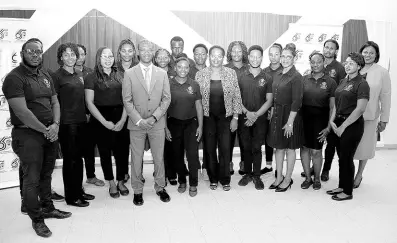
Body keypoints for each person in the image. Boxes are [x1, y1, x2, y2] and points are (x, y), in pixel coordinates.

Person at [2, 38, 71, 238]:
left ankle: (48, 207)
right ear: (23, 53)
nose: (35, 54)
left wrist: (55, 125)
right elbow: (23, 112)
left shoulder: (45, 74)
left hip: (50, 132)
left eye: (38, 51)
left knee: (46, 175)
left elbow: (55, 102)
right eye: (30, 51)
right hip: (28, 135)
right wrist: (45, 129)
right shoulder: (14, 78)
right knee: (31, 179)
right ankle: (37, 219)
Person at [122, 39, 171, 206]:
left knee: (159, 158)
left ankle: (160, 187)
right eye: (143, 50)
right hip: (137, 125)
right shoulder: (129, 73)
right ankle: (137, 190)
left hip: (157, 123)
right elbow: (127, 101)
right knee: (136, 159)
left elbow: (166, 99)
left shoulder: (162, 73)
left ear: (153, 53)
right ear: (138, 53)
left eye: (149, 50)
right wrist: (139, 120)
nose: (146, 53)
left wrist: (154, 117)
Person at [51, 43, 95, 207]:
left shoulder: (78, 74)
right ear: (60, 57)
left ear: (77, 57)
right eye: (66, 54)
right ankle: (71, 197)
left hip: (81, 122)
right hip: (67, 124)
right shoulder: (56, 76)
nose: (70, 57)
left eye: (73, 54)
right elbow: (53, 102)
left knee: (79, 159)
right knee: (70, 160)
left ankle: (79, 190)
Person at [85, 47, 130, 199]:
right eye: (104, 56)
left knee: (122, 152)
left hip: (121, 116)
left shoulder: (121, 75)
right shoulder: (91, 77)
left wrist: (123, 119)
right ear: (98, 58)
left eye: (110, 56)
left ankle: (121, 181)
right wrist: (104, 122)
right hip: (100, 119)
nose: (108, 59)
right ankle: (111, 183)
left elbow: (127, 99)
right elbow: (89, 103)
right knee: (105, 153)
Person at [196, 45, 242, 191]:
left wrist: (235, 117)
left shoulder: (231, 73)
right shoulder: (201, 74)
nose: (216, 59)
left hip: (226, 118)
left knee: (225, 148)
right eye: (213, 56)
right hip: (207, 118)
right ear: (209, 57)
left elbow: (237, 96)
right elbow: (196, 100)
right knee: (209, 149)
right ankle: (213, 178)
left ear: (223, 57)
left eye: (219, 56)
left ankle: (225, 179)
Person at [326, 52, 369, 201]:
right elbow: (337, 105)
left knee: (347, 158)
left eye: (351, 63)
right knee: (341, 158)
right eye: (346, 62)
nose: (347, 65)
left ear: (359, 66)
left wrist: (343, 126)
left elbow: (360, 109)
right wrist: (332, 121)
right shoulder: (344, 81)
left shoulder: (362, 83)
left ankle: (348, 191)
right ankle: (341, 185)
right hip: (338, 122)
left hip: (352, 125)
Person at [353, 41, 391, 188]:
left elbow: (386, 97)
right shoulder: (354, 68)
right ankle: (348, 173)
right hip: (350, 117)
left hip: (369, 117)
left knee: (365, 147)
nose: (367, 55)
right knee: (349, 147)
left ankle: (359, 174)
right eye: (365, 52)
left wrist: (384, 119)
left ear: (376, 55)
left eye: (371, 53)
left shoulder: (382, 72)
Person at [267, 43, 304, 192]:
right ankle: (278, 177)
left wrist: (290, 123)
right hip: (277, 114)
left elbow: (297, 101)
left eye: (289, 57)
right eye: (283, 56)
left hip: (290, 116)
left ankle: (288, 179)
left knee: (289, 148)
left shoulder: (296, 76)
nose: (285, 59)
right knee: (278, 148)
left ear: (294, 59)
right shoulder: (278, 74)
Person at [165, 57, 203, 196]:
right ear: (175, 68)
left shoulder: (194, 84)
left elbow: (199, 106)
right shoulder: (168, 84)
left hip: (191, 123)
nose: (183, 69)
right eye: (179, 67)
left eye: (186, 67)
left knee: (192, 155)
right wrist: (165, 127)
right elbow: (164, 107)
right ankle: (182, 180)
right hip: (173, 123)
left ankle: (193, 183)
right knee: (177, 155)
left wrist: (200, 126)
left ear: (189, 69)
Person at [237, 45, 273, 190]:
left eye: (258, 56)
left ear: (262, 58)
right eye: (252, 56)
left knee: (257, 147)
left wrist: (256, 115)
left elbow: (269, 100)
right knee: (245, 147)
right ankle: (247, 174)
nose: (255, 59)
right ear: (248, 57)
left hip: (260, 119)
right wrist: (247, 113)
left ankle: (257, 175)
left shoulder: (267, 77)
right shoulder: (240, 76)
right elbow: (236, 98)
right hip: (243, 117)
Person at [300, 51, 337, 190]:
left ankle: (317, 178)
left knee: (316, 151)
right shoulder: (303, 79)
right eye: (313, 62)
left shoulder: (330, 82)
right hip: (304, 120)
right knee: (303, 149)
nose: (315, 64)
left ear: (324, 63)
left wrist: (329, 127)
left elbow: (333, 107)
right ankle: (308, 178)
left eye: (318, 62)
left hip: (320, 121)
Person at [74, 44, 105, 187]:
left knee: (89, 148)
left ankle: (91, 176)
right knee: (75, 151)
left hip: (91, 117)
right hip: (73, 118)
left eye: (83, 54)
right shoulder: (66, 73)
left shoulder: (90, 72)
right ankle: (75, 182)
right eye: (77, 54)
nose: (80, 57)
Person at [318, 39, 347, 181]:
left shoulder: (340, 68)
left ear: (336, 51)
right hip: (318, 108)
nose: (328, 50)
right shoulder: (318, 63)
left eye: (331, 48)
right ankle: (314, 167)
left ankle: (326, 170)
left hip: (333, 109)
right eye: (326, 47)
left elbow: (342, 89)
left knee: (331, 143)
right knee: (316, 140)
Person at [115, 39, 140, 183]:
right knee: (121, 147)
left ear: (134, 52)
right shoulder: (113, 68)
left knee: (137, 147)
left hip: (137, 112)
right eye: (123, 50)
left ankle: (138, 173)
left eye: (130, 50)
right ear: (119, 52)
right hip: (120, 113)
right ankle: (123, 173)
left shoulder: (139, 67)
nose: (127, 54)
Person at [225, 41, 249, 175]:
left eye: (239, 51)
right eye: (233, 51)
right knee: (228, 139)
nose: (236, 54)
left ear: (244, 53)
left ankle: (244, 162)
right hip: (228, 110)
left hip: (245, 111)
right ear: (229, 53)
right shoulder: (224, 68)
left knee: (245, 139)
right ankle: (228, 162)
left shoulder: (249, 68)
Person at [262, 43, 283, 175]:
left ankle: (279, 169)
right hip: (267, 110)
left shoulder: (286, 70)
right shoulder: (264, 71)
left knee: (280, 139)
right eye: (271, 54)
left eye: (277, 54)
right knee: (268, 137)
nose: (273, 57)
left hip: (282, 110)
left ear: (281, 55)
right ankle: (269, 165)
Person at [189, 43, 209, 180]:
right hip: (191, 113)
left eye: (203, 54)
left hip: (208, 112)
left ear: (207, 55)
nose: (200, 56)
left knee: (209, 141)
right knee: (192, 143)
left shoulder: (212, 70)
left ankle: (207, 167)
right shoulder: (187, 70)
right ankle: (195, 166)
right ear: (193, 55)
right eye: (197, 54)